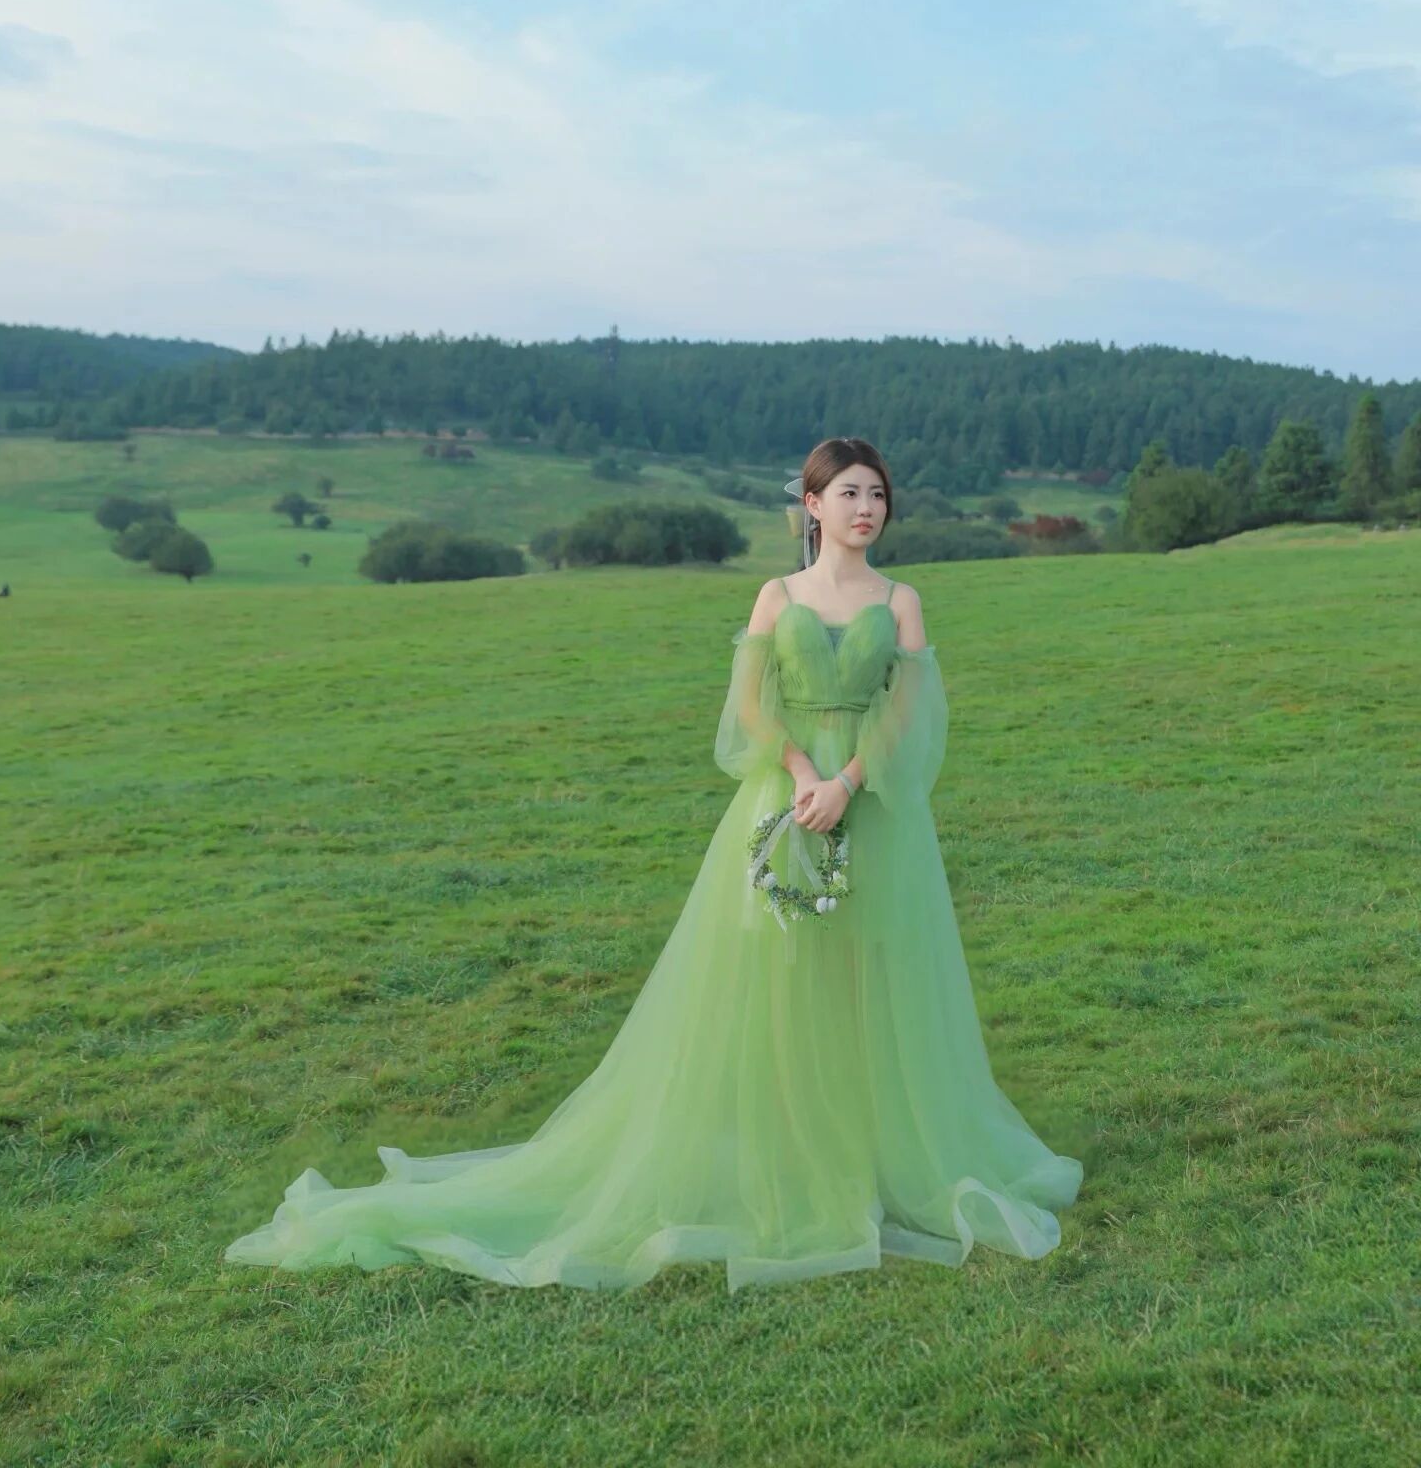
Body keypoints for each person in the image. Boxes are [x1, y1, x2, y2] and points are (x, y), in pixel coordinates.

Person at [223, 435, 1083, 1292]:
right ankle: (790, 1156)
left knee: (869, 976)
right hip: (784, 802)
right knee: (781, 974)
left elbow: (908, 716)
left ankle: (873, 1157)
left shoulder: (901, 601)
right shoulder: (777, 595)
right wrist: (802, 776)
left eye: (878, 495)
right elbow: (749, 708)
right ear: (813, 505)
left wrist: (848, 783)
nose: (867, 509)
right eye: (849, 493)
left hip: (876, 809)